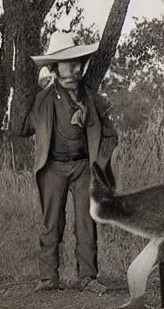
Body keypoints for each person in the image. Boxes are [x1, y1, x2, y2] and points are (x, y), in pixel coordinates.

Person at [14, 31, 118, 293]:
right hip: (53, 167)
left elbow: (110, 135)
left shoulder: (92, 98)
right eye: (67, 64)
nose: (74, 69)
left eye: (76, 63)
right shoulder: (43, 99)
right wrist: (29, 91)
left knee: (86, 221)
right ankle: (49, 278)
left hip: (84, 167)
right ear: (53, 68)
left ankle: (88, 278)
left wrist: (99, 163)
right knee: (52, 222)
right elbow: (20, 128)